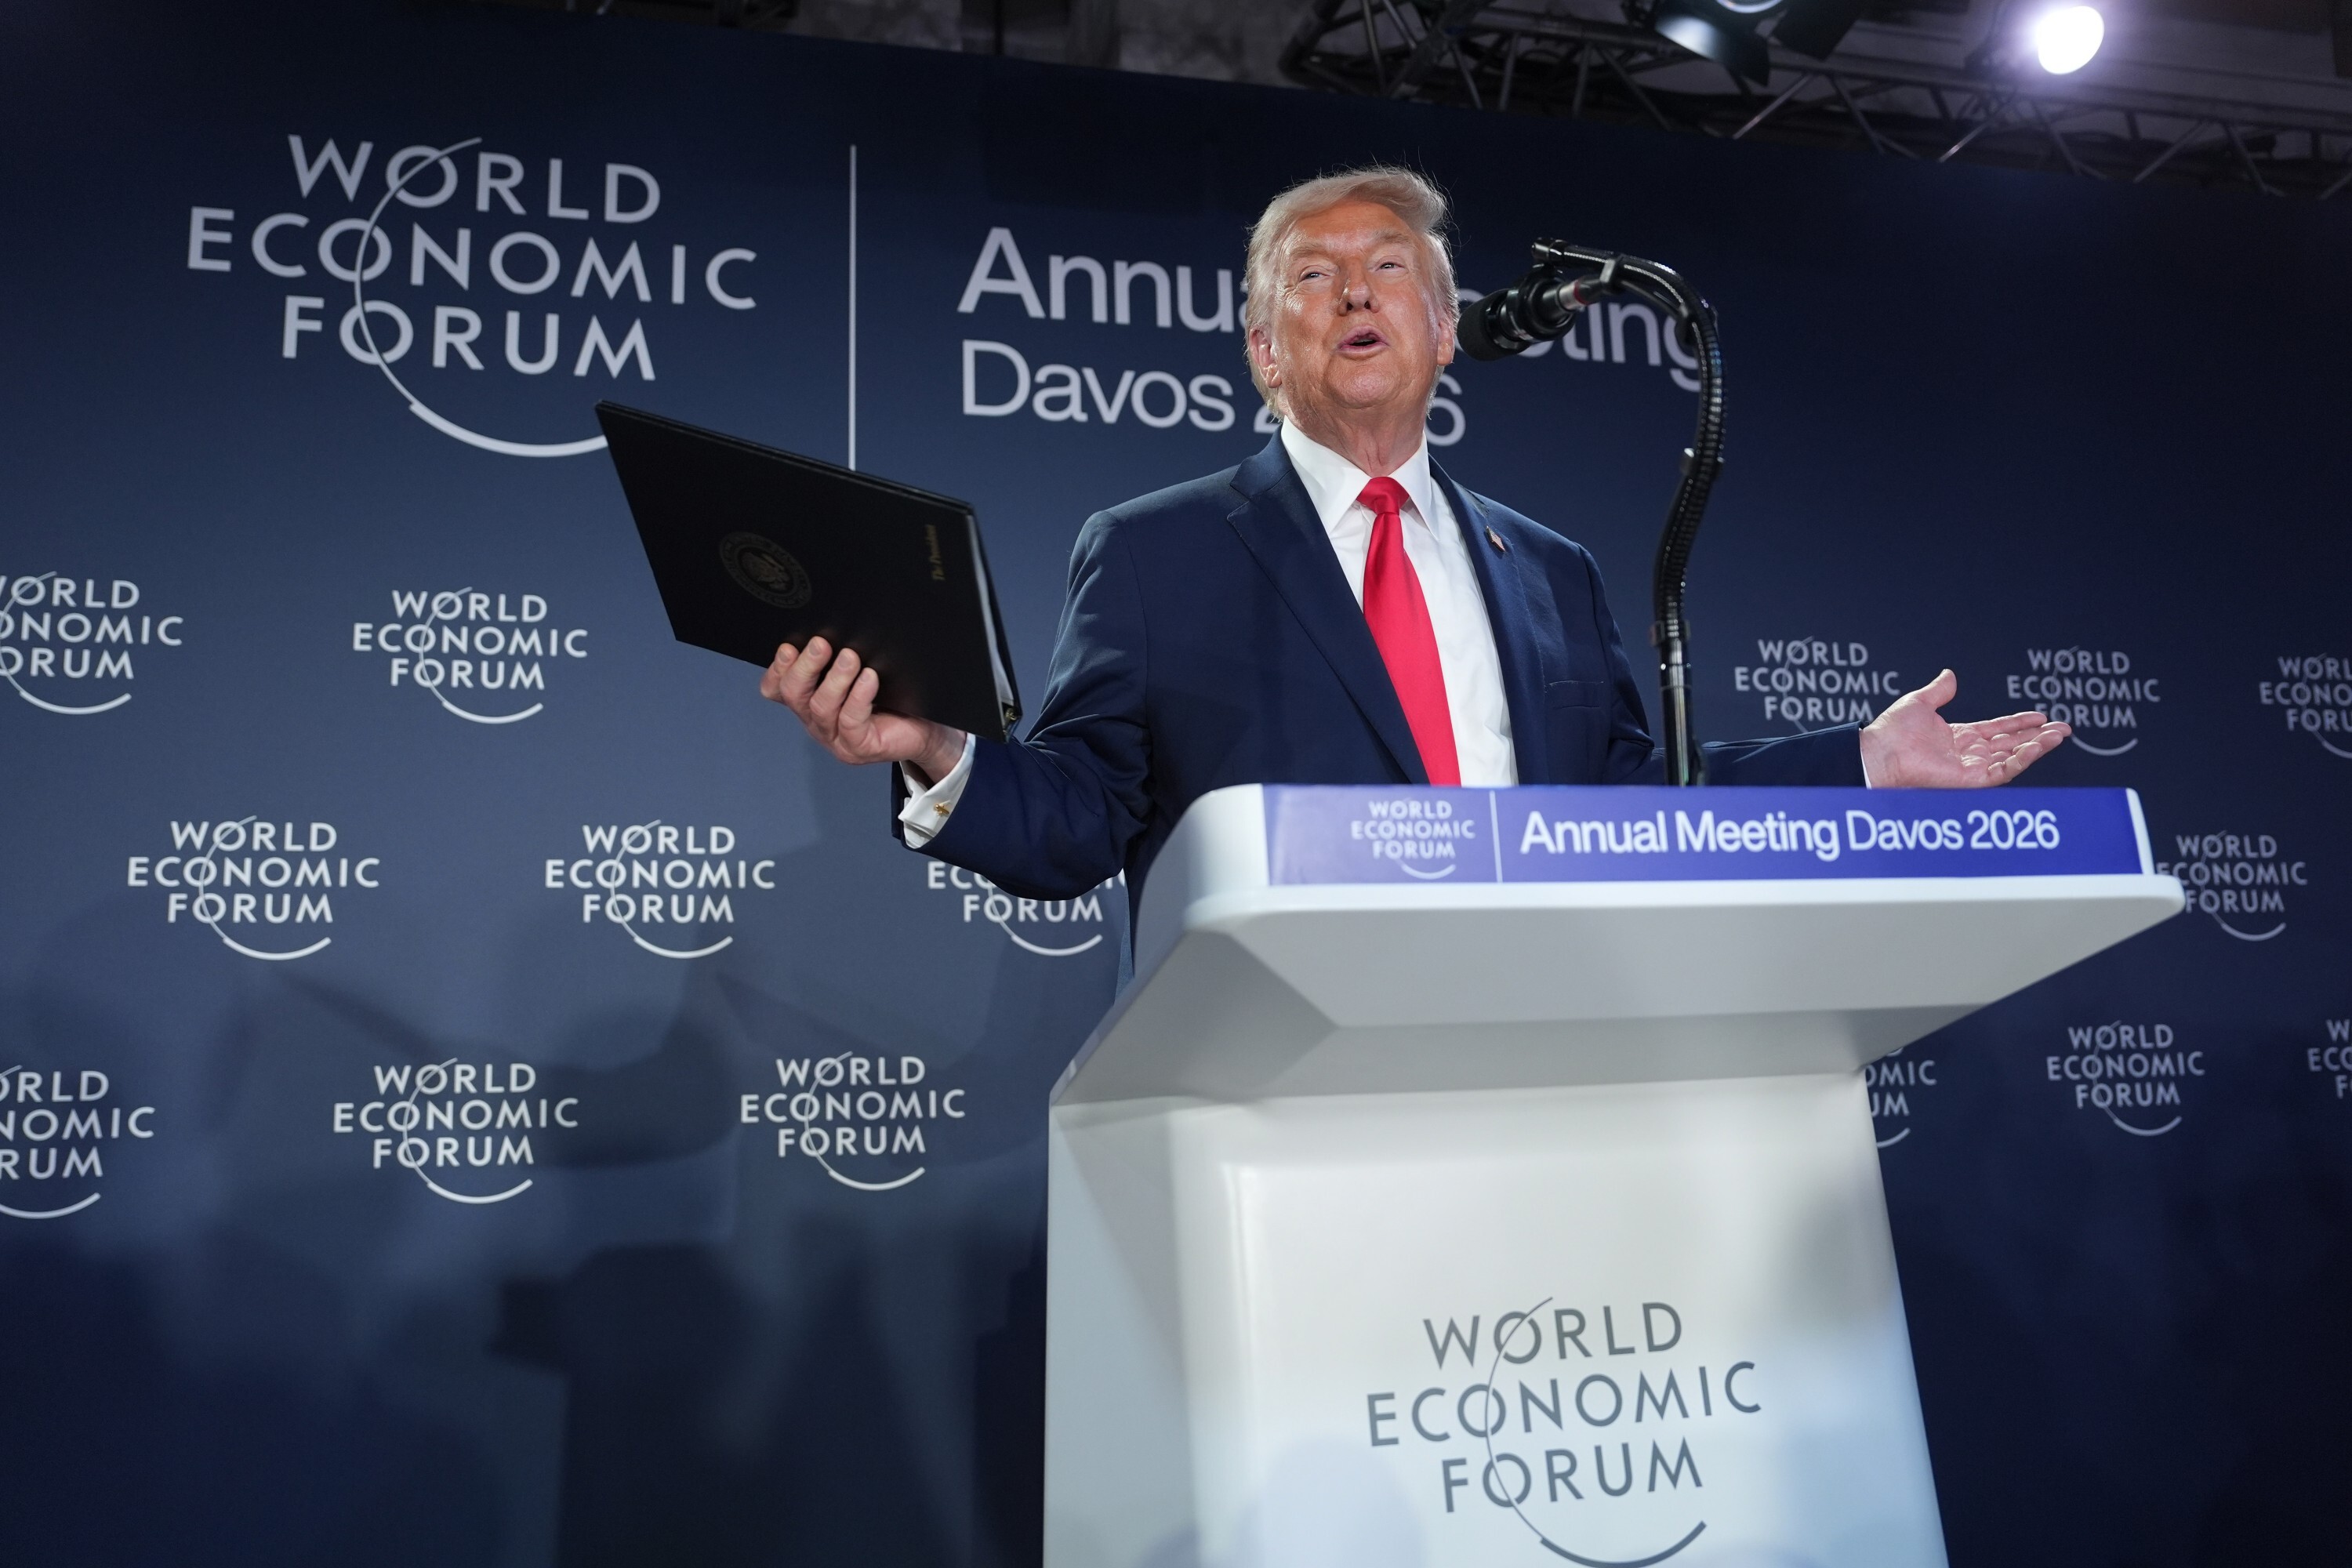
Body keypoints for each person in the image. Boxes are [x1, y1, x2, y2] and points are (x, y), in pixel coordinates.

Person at [760, 167, 2070, 924]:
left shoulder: (1550, 570)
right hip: (1287, 1086)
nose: (1354, 293)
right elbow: (1085, 818)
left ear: (1445, 330)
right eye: (1313, 279)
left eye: (1389, 270)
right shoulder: (1157, 554)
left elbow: (1631, 805)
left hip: (1549, 1040)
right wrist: (933, 753)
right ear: (1267, 354)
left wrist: (1859, 763)